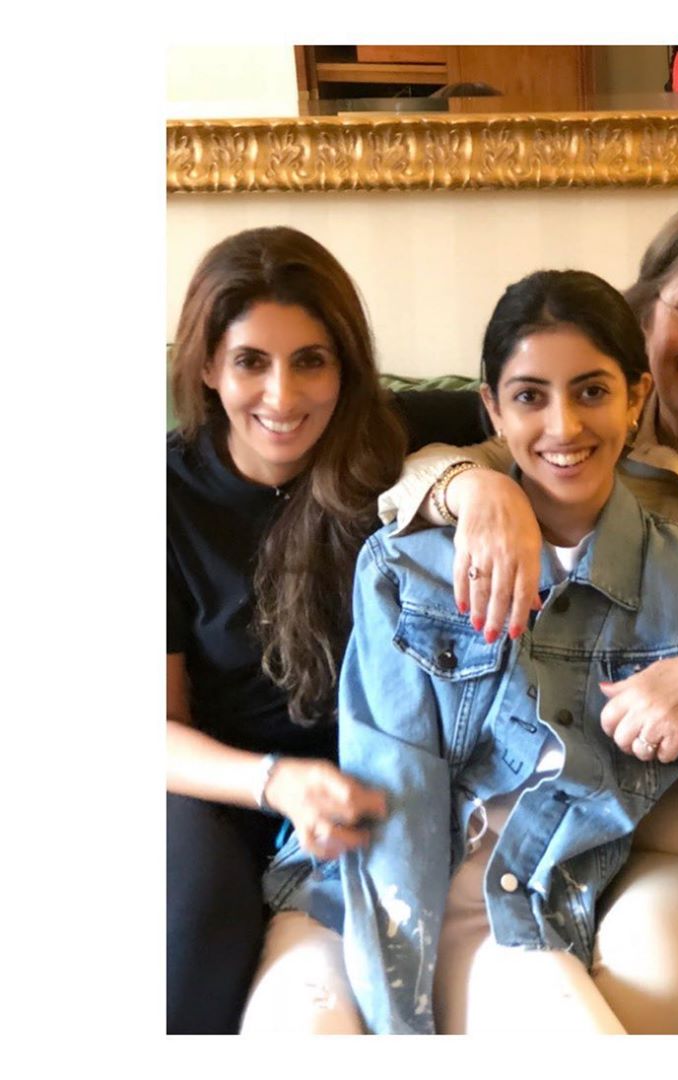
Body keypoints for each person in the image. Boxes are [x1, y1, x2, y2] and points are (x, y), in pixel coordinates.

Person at [263, 269, 678, 1036]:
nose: (564, 425)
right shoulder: (408, 567)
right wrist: (400, 1023)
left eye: (592, 391)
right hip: (352, 903)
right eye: (530, 396)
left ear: (637, 398)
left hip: (516, 908)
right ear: (492, 409)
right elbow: (393, 806)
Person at [167, 226, 412, 1034]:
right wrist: (276, 782)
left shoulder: (388, 449)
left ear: (346, 367)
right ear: (208, 366)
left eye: (311, 360)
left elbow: (499, 432)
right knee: (193, 930)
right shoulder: (160, 494)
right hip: (227, 790)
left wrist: (479, 489)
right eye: (251, 361)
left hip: (381, 784)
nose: (282, 395)